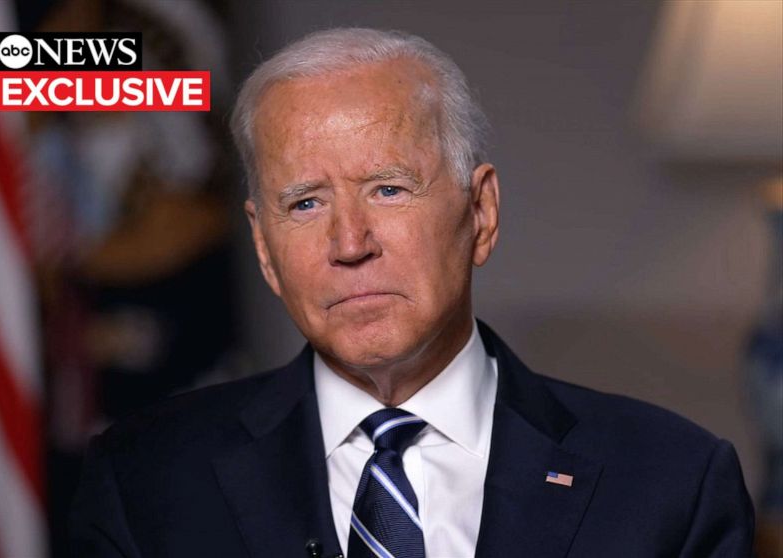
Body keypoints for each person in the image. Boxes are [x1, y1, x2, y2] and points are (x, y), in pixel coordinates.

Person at [70, 28, 753, 557]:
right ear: (264, 249)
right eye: (305, 204)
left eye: (388, 189)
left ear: (480, 213)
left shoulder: (670, 482)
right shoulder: (144, 482)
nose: (349, 243)